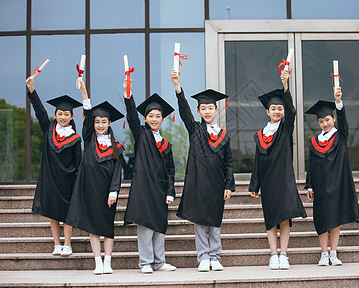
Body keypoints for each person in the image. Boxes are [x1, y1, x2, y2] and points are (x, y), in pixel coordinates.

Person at [170, 70, 235, 272]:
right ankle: (203, 257)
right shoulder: (195, 130)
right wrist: (177, 87)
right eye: (203, 108)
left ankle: (215, 256)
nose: (207, 111)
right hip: (198, 183)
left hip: (216, 184)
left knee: (215, 221)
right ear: (198, 112)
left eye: (210, 108)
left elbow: (228, 162)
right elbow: (184, 112)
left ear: (217, 110)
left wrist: (228, 185)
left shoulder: (224, 136)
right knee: (200, 222)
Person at [249, 69, 307, 270]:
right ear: (267, 111)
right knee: (271, 218)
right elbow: (258, 161)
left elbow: (292, 112)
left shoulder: (285, 129)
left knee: (285, 218)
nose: (277, 111)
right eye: (273, 108)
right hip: (267, 182)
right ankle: (273, 254)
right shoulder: (260, 135)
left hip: (284, 180)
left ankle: (284, 254)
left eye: (280, 108)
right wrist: (254, 184)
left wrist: (286, 86)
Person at [66, 79, 124, 275]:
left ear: (109, 123)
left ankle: (108, 262)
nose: (100, 125)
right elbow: (87, 115)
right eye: (97, 122)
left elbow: (117, 171)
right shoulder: (89, 138)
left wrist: (114, 191)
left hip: (108, 192)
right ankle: (97, 262)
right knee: (93, 227)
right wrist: (84, 95)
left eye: (103, 122)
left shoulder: (116, 145)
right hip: (90, 190)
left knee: (107, 226)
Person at [122, 79, 177, 273]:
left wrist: (171, 192)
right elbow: (131, 117)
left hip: (161, 189)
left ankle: (159, 262)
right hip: (144, 188)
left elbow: (171, 170)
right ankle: (145, 262)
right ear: (145, 119)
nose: (154, 119)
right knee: (145, 226)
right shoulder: (142, 135)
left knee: (160, 225)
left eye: (158, 116)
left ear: (163, 120)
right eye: (150, 116)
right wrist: (128, 95)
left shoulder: (167, 145)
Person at [25, 77, 82, 257]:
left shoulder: (75, 138)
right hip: (50, 179)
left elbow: (78, 163)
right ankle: (57, 244)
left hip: (68, 179)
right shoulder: (49, 129)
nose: (63, 117)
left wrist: (77, 183)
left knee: (67, 214)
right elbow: (40, 112)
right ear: (56, 115)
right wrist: (32, 90)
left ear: (72, 116)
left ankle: (67, 244)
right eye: (60, 114)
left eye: (66, 114)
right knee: (53, 213)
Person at [305, 87, 359, 266]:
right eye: (321, 121)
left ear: (334, 119)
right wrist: (310, 185)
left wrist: (338, 102)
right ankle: (323, 254)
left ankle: (334, 253)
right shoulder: (314, 142)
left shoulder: (340, 137)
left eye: (327, 119)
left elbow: (344, 123)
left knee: (335, 219)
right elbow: (311, 165)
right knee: (321, 219)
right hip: (320, 186)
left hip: (337, 184)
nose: (325, 123)